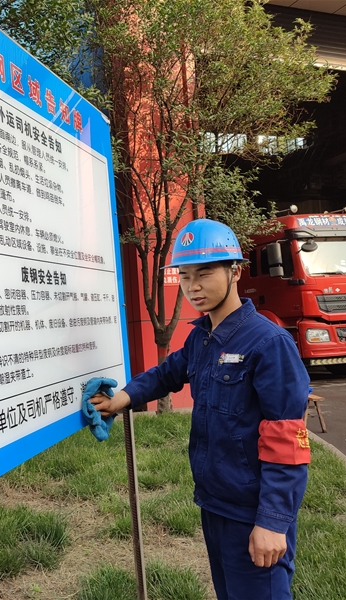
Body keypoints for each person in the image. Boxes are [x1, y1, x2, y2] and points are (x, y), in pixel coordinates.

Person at [90, 218, 311, 600]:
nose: (193, 286)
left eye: (204, 273)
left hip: (252, 512)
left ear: (235, 271)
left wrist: (273, 522)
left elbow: (287, 440)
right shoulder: (202, 337)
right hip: (214, 503)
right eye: (185, 275)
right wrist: (122, 398)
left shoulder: (268, 343)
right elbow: (167, 373)